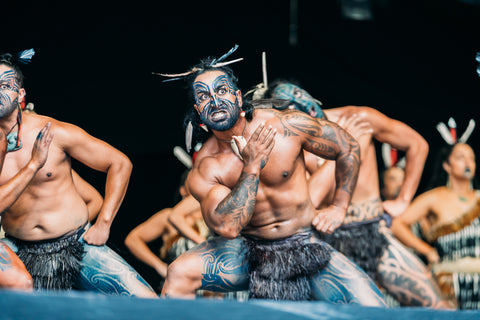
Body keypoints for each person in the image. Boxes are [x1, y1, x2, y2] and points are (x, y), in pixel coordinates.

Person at [159, 48, 386, 305]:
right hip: (249, 251)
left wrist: (339, 207)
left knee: (374, 307)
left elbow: (348, 147)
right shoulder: (206, 168)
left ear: (236, 96)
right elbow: (228, 227)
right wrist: (252, 166)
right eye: (203, 96)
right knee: (178, 273)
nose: (215, 100)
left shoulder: (284, 127)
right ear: (198, 109)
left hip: (305, 243)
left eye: (221, 91)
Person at [260, 79, 453, 308]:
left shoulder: (358, 119)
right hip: (329, 243)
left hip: (375, 234)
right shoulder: (289, 146)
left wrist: (403, 200)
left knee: (439, 306)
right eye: (290, 115)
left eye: (299, 98)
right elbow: (307, 201)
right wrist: (344, 147)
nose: (300, 112)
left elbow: (417, 144)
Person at [0, 50, 157, 297]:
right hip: (17, 247)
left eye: (4, 85)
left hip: (76, 245)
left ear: (21, 94)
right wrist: (33, 165)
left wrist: (104, 223)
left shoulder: (53, 132)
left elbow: (119, 163)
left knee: (148, 303)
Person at [391, 118, 480, 309]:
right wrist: (427, 250)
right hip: (450, 283)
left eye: (471, 158)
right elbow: (398, 224)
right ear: (447, 166)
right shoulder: (434, 198)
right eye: (460, 157)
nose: (468, 162)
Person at [125, 170, 209, 292]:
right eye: (192, 182)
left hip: (209, 293)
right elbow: (132, 240)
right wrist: (159, 265)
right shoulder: (169, 216)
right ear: (183, 190)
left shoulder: (213, 217)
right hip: (176, 289)